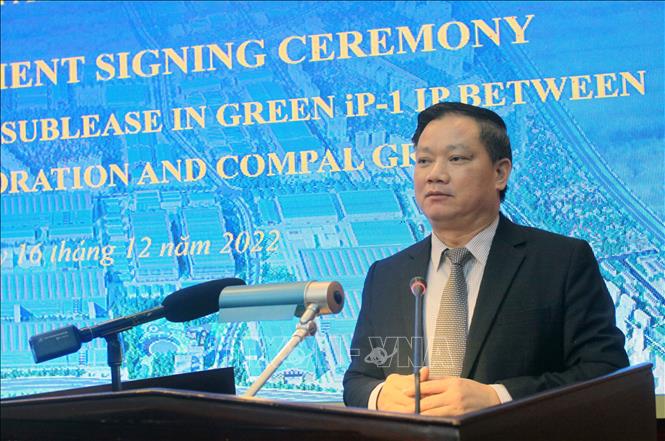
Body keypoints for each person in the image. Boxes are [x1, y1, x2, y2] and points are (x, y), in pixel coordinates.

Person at [343, 102, 629, 416]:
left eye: (456, 159)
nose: (435, 174)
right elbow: (359, 378)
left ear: (500, 172)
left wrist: (498, 398)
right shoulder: (386, 275)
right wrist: (382, 395)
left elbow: (605, 369)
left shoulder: (561, 261)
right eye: (423, 160)